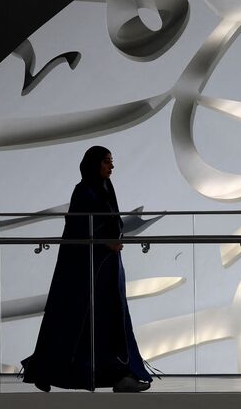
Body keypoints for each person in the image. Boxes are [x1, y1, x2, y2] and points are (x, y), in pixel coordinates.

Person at [21, 146, 153, 393]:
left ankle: (120, 374)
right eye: (106, 162)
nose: (111, 167)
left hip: (108, 266)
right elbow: (78, 226)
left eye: (111, 162)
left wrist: (113, 240)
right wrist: (105, 242)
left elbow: (111, 221)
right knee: (78, 318)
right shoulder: (83, 191)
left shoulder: (106, 188)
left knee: (110, 318)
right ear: (94, 164)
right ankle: (48, 369)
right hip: (86, 268)